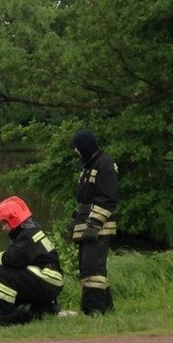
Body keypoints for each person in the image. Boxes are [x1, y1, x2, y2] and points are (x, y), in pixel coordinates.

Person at [0, 196, 64, 326]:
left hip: (48, 279)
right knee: (13, 273)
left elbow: (11, 258)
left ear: (13, 220)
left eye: (4, 223)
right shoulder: (30, 232)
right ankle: (40, 309)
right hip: (49, 280)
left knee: (5, 273)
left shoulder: (27, 236)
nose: (3, 228)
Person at [70, 129, 118, 315]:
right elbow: (84, 198)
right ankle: (106, 308)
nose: (75, 152)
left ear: (84, 146)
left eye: (77, 148)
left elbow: (108, 198)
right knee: (87, 268)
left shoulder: (105, 164)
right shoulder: (89, 165)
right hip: (87, 226)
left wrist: (94, 224)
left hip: (99, 228)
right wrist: (76, 222)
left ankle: (94, 310)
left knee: (93, 270)